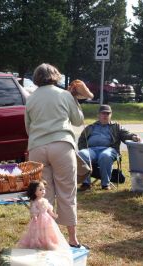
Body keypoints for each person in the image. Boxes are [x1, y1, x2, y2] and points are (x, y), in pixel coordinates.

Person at [25, 63, 85, 248]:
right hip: (61, 144)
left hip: (37, 147)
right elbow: (78, 120)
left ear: (36, 78)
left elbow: (28, 127)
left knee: (43, 196)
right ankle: (73, 239)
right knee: (67, 193)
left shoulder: (30, 98)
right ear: (56, 76)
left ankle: (48, 240)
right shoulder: (64, 95)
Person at [78, 104, 140, 191]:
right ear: (98, 115)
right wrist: (84, 149)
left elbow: (125, 134)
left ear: (111, 115)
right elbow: (82, 140)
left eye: (108, 114)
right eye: (103, 113)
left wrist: (133, 137)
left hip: (109, 150)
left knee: (105, 156)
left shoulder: (116, 126)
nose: (105, 115)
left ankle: (105, 184)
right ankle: (86, 183)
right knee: (81, 154)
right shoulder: (90, 127)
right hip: (92, 150)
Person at [17, 180, 70, 250]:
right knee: (38, 231)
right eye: (40, 189)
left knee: (49, 230)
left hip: (47, 219)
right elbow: (33, 210)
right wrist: (35, 216)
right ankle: (40, 242)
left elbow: (48, 208)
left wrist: (53, 214)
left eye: (44, 189)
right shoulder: (35, 202)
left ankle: (49, 242)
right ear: (34, 191)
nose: (43, 191)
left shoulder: (45, 200)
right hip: (39, 219)